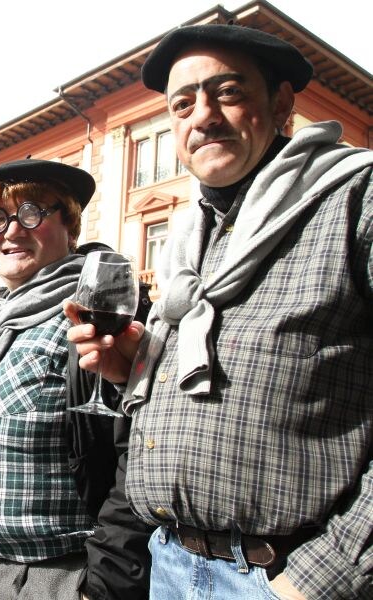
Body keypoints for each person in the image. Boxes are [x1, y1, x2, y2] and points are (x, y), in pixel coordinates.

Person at [68, 24, 373, 600]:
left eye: (227, 92)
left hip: (285, 577)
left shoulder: (358, 199)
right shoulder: (191, 238)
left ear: (281, 103)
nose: (201, 116)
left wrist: (327, 574)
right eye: (181, 105)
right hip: (170, 565)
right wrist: (139, 371)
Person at [0, 159, 151, 599]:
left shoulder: (97, 317)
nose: (11, 231)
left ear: (71, 226)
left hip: (62, 577)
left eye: (32, 213)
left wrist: (104, 583)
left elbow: (142, 453)